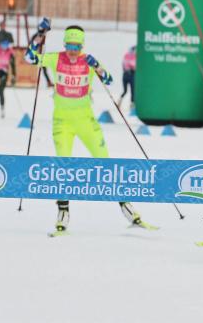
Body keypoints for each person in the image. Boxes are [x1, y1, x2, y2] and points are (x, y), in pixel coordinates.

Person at [25, 25, 150, 235]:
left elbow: (109, 80)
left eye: (77, 46)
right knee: (62, 165)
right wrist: (39, 36)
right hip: (62, 122)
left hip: (86, 121)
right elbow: (30, 58)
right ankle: (63, 213)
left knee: (104, 161)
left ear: (82, 45)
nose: (73, 50)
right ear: (65, 44)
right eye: (70, 45)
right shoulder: (56, 58)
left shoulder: (88, 60)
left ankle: (127, 208)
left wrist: (98, 69)